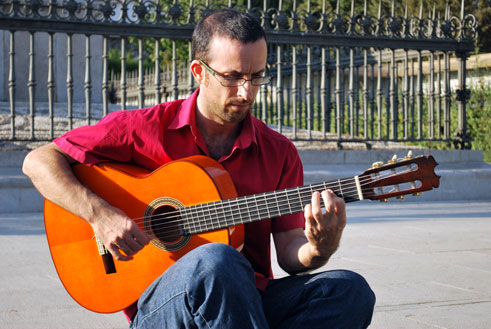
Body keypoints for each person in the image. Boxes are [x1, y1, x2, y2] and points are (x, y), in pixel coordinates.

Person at [23, 9, 375, 329]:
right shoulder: (143, 128)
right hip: (165, 310)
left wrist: (320, 247)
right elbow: (38, 160)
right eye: (233, 76)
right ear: (199, 72)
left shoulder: (279, 152)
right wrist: (100, 214)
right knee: (217, 261)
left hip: (248, 303)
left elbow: (289, 252)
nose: (246, 91)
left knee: (350, 291)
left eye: (256, 76)